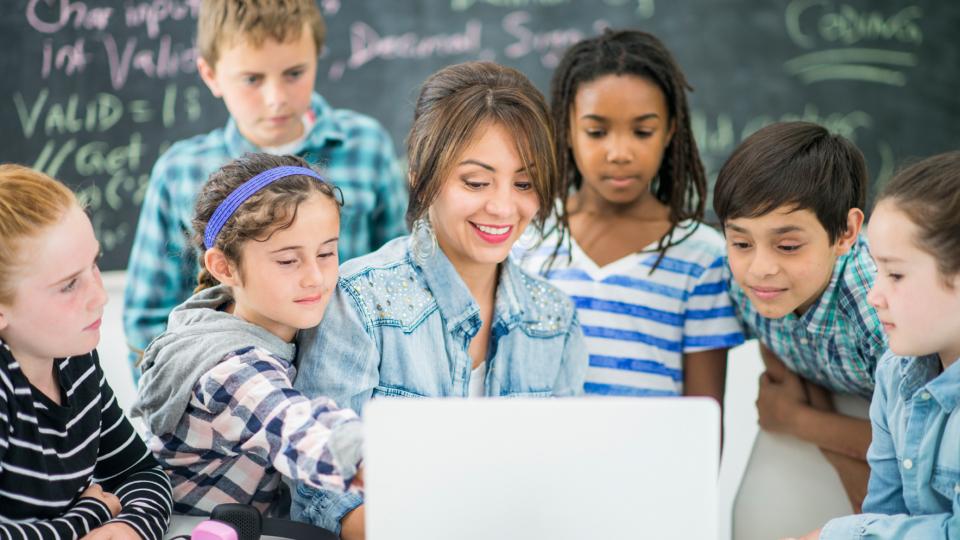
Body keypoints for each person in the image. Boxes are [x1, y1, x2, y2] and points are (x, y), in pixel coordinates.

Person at [291, 61, 588, 539]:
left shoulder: (555, 319)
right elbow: (320, 490)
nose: (502, 206)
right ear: (420, 172)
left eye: (525, 183)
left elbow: (561, 480)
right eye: (475, 182)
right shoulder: (360, 300)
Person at [123, 0, 407, 376]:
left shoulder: (365, 146)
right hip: (233, 398)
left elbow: (397, 279)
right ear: (210, 75)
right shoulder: (181, 171)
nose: (276, 97)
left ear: (317, 58)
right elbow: (149, 318)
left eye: (294, 73)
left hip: (352, 382)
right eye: (252, 79)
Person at [516, 29, 743, 401]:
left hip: (652, 460)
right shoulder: (527, 235)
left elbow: (705, 416)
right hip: (544, 457)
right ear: (568, 131)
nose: (619, 152)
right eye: (596, 131)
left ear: (670, 130)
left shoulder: (702, 255)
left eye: (642, 131)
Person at [131, 154, 363, 516]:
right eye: (288, 261)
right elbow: (292, 425)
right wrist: (365, 455)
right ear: (224, 267)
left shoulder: (222, 312)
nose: (315, 277)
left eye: (326, 253)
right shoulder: (231, 369)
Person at [713, 121, 887, 509]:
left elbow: (919, 446)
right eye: (741, 242)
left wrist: (799, 420)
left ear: (845, 232)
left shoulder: (880, 309)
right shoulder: (732, 276)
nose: (760, 268)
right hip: (829, 400)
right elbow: (769, 338)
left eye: (788, 246)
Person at [791, 152, 960, 538]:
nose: (873, 295)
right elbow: (883, 517)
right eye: (876, 269)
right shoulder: (895, 373)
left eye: (896, 273)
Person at [0, 164, 172, 540]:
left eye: (94, 264)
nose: (101, 295)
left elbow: (138, 472)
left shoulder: (72, 355)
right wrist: (94, 511)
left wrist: (129, 526)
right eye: (68, 286)